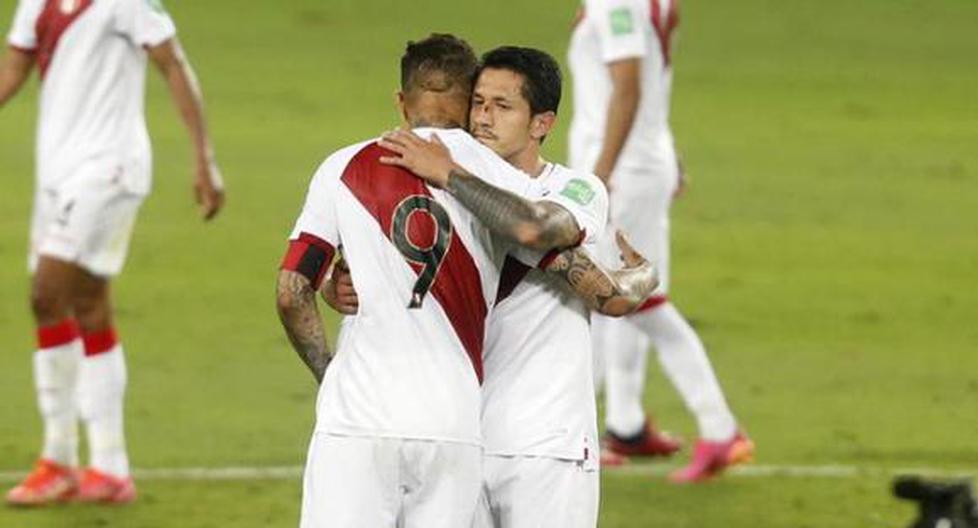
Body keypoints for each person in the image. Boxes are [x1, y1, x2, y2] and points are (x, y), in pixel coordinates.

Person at [276, 34, 614, 527]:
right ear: (464, 100)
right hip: (452, 425)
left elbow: (291, 292)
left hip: (361, 420)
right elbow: (555, 248)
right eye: (480, 103)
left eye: (500, 105)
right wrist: (626, 286)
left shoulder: (344, 166)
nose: (485, 117)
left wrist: (330, 374)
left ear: (400, 99)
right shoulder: (496, 180)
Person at [1, 0, 224, 505]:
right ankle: (109, 467)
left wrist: (204, 159)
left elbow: (173, 64)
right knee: (87, 304)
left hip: (110, 169)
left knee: (46, 294)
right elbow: (12, 69)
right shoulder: (34, 4)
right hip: (55, 174)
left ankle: (57, 460)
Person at [568, 0, 753, 481]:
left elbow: (628, 86)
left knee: (624, 296)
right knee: (623, 293)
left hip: (623, 170)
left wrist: (602, 172)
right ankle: (624, 424)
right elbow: (652, 85)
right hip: (646, 161)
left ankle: (718, 426)